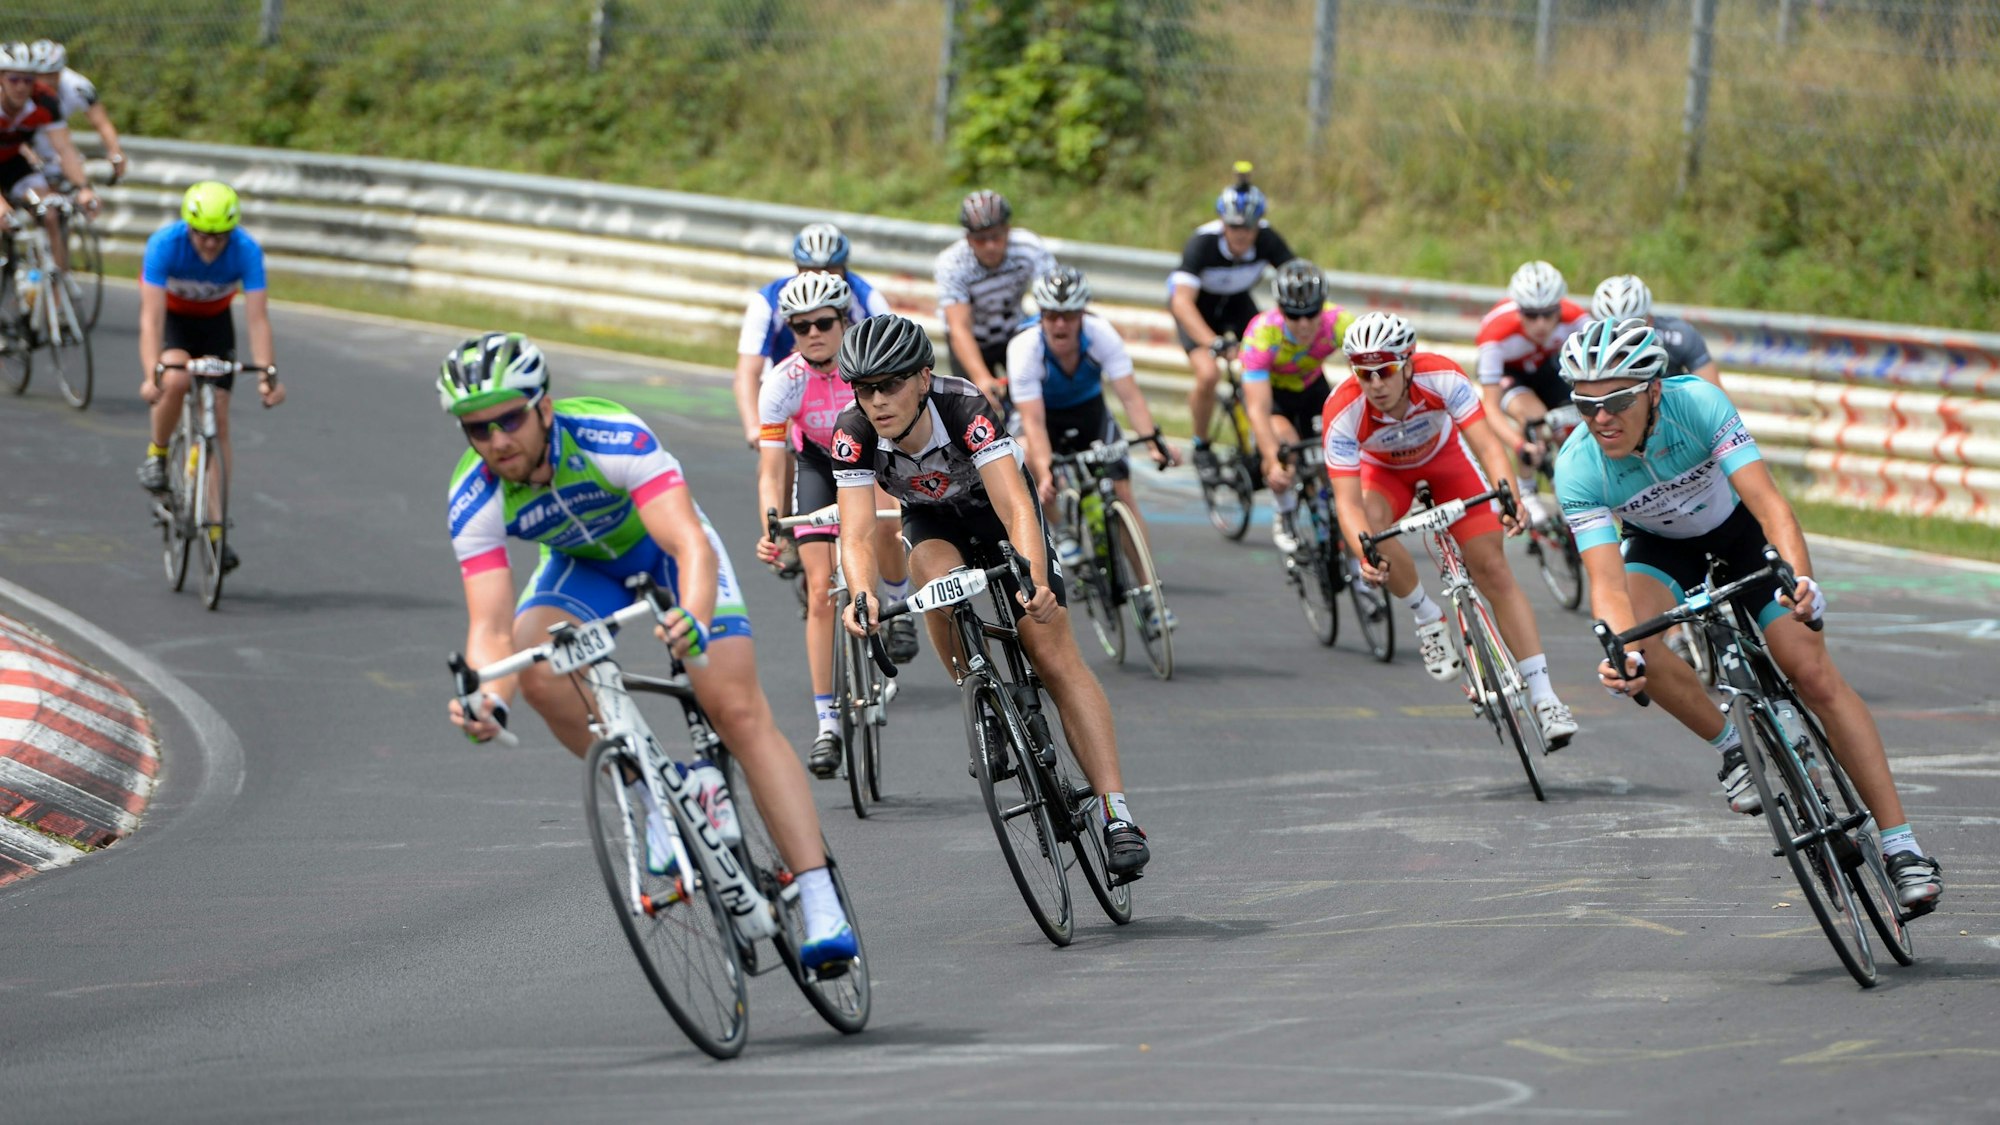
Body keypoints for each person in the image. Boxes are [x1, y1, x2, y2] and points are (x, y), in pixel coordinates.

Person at [438, 332, 860, 969]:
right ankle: (656, 799)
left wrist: (692, 616)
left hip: (670, 556)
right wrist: (488, 700)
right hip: (583, 569)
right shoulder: (474, 495)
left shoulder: (607, 435)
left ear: (544, 407)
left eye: (509, 419)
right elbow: (490, 629)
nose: (497, 441)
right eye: (478, 429)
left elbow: (690, 543)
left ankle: (819, 895)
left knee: (736, 711)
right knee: (535, 662)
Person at [1555, 317, 1943, 913]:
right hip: (1662, 549)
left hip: (1741, 532)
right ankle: (1735, 745)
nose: (1601, 417)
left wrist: (1802, 583)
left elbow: (1770, 505)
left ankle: (1902, 847)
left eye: (1618, 399)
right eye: (1586, 403)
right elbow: (1606, 585)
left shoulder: (1699, 404)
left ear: (1654, 389)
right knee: (1636, 638)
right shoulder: (1579, 466)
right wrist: (1623, 652)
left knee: (1810, 672)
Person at [829, 315, 1152, 878]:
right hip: (934, 523)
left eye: (891, 385)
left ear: (923, 379)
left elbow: (1016, 506)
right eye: (865, 388)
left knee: (1052, 654)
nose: (877, 400)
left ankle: (1117, 814)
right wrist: (863, 596)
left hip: (1000, 519)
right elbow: (855, 533)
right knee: (932, 579)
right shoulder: (852, 432)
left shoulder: (964, 407)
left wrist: (1037, 586)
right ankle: (980, 698)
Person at [1325, 312, 1579, 746]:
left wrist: (1510, 497)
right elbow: (1346, 503)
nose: (1375, 384)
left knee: (1493, 569)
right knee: (1372, 535)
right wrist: (1364, 552)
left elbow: (1486, 445)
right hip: (1385, 476)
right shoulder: (1343, 409)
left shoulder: (1441, 375)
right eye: (1363, 374)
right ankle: (1427, 617)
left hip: (1446, 463)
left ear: (1407, 363)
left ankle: (1544, 697)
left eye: (1385, 371)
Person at [751, 273, 919, 779]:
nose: (813, 334)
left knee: (889, 523)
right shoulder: (782, 383)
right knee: (821, 592)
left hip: (872, 458)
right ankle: (826, 725)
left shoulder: (864, 372)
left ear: (845, 320)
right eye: (800, 327)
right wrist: (772, 525)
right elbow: (772, 467)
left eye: (824, 322)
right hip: (818, 467)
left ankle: (896, 599)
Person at [1006, 265, 1179, 632]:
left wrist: (1152, 443)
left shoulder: (1101, 334)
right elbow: (1033, 422)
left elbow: (1130, 397)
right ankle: (1062, 530)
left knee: (1122, 491)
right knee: (1026, 457)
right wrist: (1047, 469)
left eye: (1069, 316)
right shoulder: (1024, 348)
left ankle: (1149, 592)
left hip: (1091, 414)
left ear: (1083, 314)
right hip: (1043, 419)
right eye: (1052, 316)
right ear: (1042, 316)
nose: (1060, 326)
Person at [136, 181, 283, 575]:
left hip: (216, 326)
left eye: (220, 237)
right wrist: (152, 373)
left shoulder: (247, 250)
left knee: (217, 415)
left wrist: (266, 373)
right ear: (188, 228)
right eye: (203, 235)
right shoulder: (165, 245)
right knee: (177, 379)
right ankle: (158, 453)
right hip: (176, 326)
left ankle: (216, 531)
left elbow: (257, 318)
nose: (212, 245)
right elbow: (151, 319)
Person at [1171, 163, 1295, 483]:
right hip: (1199, 309)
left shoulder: (1268, 240)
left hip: (1239, 304)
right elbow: (1181, 301)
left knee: (1270, 362)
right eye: (1233, 227)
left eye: (1248, 228)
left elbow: (1295, 279)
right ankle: (1201, 445)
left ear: (1258, 226)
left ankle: (1263, 437)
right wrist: (1212, 342)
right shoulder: (1203, 243)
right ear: (1223, 223)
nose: (1241, 235)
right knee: (1209, 373)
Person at [731, 221, 892, 448]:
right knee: (775, 453)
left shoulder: (867, 297)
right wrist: (753, 427)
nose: (820, 280)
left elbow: (893, 361)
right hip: (790, 389)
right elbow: (747, 372)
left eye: (831, 272)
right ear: (797, 270)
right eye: (810, 272)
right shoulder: (767, 301)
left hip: (851, 388)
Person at [1242, 259, 1355, 553]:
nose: (1304, 324)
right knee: (1286, 449)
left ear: (1323, 306)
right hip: (1273, 395)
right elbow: (1258, 410)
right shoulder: (1263, 335)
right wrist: (1271, 458)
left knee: (1329, 453)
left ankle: (1327, 511)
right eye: (1294, 315)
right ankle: (1285, 510)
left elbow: (1367, 375)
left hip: (1312, 387)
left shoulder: (1339, 323)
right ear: (1280, 309)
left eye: (1311, 313)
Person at [1473, 260, 1587, 526]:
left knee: (1570, 423)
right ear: (1518, 310)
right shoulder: (1495, 335)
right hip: (1512, 376)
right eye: (1531, 315)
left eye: (1549, 314)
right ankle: (1526, 489)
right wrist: (1518, 444)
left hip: (1547, 369)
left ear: (1560, 307)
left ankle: (1572, 482)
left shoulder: (1576, 318)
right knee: (1535, 419)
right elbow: (1489, 407)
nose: (1541, 323)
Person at [933, 190, 1053, 406]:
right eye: (980, 240)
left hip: (1013, 331)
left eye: (996, 236)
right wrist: (981, 379)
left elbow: (1050, 305)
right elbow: (959, 327)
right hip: (972, 338)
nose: (990, 246)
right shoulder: (952, 263)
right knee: (971, 407)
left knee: (1037, 397)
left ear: (1008, 230)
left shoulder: (1029, 248)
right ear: (968, 239)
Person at [0, 41, 96, 274]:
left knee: (50, 211)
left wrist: (83, 187)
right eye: (14, 79)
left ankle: (57, 288)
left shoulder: (46, 101)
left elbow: (64, 149)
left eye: (28, 80)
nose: (21, 87)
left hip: (12, 161)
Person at [25, 40, 125, 189]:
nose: (46, 82)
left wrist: (115, 151)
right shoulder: (19, 89)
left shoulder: (78, 86)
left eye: (52, 75)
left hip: (53, 141)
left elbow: (101, 122)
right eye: (41, 75)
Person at [1588, 275, 1720, 387]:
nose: (1622, 339)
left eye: (1632, 328)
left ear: (1649, 319)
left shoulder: (1680, 336)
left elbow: (1715, 395)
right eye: (1613, 332)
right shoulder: (1586, 344)